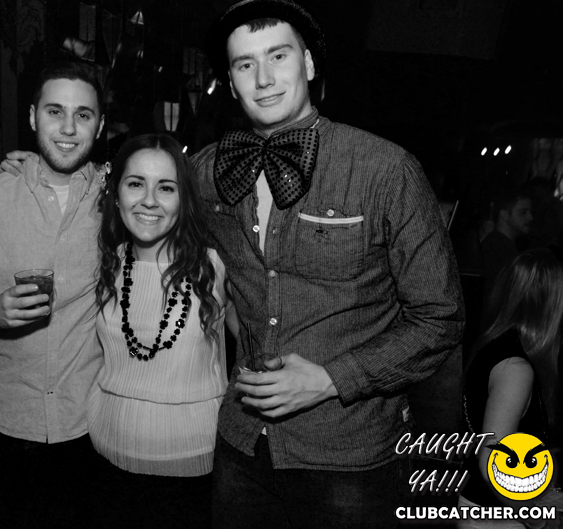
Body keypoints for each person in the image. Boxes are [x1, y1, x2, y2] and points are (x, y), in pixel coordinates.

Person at [193, 1, 466, 527]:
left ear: (309, 64)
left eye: (278, 56)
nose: (263, 78)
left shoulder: (384, 170)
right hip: (241, 447)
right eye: (246, 64)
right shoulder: (208, 172)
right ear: (230, 82)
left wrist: (330, 379)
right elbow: (143, 208)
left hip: (349, 458)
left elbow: (441, 318)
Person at [0, 61, 106, 528]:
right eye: (54, 111)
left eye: (83, 115)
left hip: (89, 427)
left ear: (100, 125)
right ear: (32, 117)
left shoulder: (120, 199)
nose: (68, 128)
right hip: (2, 423)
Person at [87, 133, 238, 529]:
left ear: (183, 200)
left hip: (194, 465)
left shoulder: (215, 267)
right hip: (106, 456)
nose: (149, 200)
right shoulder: (105, 262)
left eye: (166, 188)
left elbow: (262, 345)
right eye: (136, 183)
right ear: (116, 194)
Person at [459, 249, 563, 528]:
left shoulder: (496, 348)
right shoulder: (515, 366)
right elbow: (491, 460)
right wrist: (538, 518)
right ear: (550, 302)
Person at [481, 189, 533, 295]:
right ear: (504, 215)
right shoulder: (498, 249)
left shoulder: (499, 244)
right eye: (523, 212)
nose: (530, 217)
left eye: (530, 212)